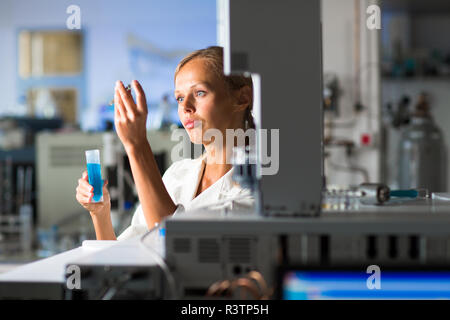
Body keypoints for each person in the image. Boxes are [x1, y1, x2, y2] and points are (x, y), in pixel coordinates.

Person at [75, 46, 255, 241]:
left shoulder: (260, 188)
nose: (185, 107)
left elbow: (172, 244)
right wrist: (100, 213)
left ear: (242, 98)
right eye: (179, 97)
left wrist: (137, 146)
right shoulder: (177, 175)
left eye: (200, 93)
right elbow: (120, 258)